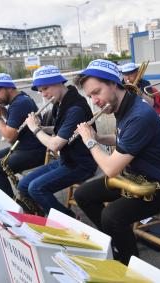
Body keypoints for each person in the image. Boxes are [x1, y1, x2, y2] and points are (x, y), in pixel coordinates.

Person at [73, 59, 160, 264]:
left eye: (96, 92)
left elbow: (110, 168)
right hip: (135, 178)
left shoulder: (138, 115)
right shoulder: (123, 104)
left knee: (111, 216)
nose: (94, 100)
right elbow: (123, 139)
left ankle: (128, 261)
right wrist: (98, 138)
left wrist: (90, 142)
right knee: (83, 195)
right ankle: (119, 239)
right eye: (90, 96)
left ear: (113, 83)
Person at [16, 65, 97, 216]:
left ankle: (70, 221)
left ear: (59, 83)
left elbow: (55, 144)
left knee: (36, 188)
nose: (44, 94)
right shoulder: (60, 103)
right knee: (23, 184)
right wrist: (43, 128)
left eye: (45, 88)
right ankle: (41, 215)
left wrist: (35, 129)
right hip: (67, 160)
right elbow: (61, 130)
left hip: (82, 163)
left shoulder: (75, 108)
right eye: (40, 91)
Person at [0, 73, 46, 197]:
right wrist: (2, 110)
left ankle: (8, 210)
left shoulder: (19, 103)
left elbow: (9, 137)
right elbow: (15, 123)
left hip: (34, 151)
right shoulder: (19, 99)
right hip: (24, 147)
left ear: (8, 87)